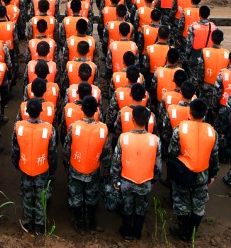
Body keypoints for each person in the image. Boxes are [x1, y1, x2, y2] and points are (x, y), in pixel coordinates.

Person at [165, 99, 218, 241]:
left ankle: (183, 231)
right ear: (205, 114)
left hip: (184, 172)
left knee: (182, 203)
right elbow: (214, 157)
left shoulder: (180, 129)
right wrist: (212, 175)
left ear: (189, 113)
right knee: (199, 205)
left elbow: (172, 152)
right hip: (203, 173)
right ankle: (191, 232)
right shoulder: (212, 131)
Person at [111, 105, 161, 241]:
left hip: (126, 180)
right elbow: (158, 165)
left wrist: (116, 181)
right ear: (147, 121)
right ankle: (137, 233)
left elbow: (116, 163)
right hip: (145, 181)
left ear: (132, 120)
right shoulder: (155, 140)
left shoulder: (123, 138)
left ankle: (127, 233)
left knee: (127, 206)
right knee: (141, 208)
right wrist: (153, 180)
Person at [63, 95, 110, 233]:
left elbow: (66, 149)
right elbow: (106, 152)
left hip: (75, 168)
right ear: (96, 111)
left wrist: (67, 164)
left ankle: (78, 224)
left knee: (75, 197)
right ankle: (91, 224)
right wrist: (106, 169)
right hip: (93, 169)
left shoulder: (73, 127)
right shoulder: (103, 129)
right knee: (92, 197)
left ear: (82, 110)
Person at [11, 98, 56, 236]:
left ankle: (27, 224)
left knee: (27, 197)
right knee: (41, 198)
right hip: (42, 170)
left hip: (25, 168)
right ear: (41, 111)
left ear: (27, 111)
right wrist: (51, 171)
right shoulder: (49, 129)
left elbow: (15, 151)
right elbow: (52, 153)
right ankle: (39, 227)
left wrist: (18, 164)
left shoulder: (18, 127)